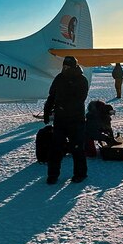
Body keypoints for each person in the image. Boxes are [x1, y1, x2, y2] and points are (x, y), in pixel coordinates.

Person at [43, 55, 90, 184]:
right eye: (64, 66)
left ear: (73, 66)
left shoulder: (81, 80)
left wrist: (63, 106)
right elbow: (52, 95)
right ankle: (53, 175)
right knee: (55, 149)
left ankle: (80, 174)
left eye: (68, 66)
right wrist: (47, 111)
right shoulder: (59, 78)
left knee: (77, 148)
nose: (65, 68)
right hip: (60, 120)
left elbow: (80, 99)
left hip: (76, 120)